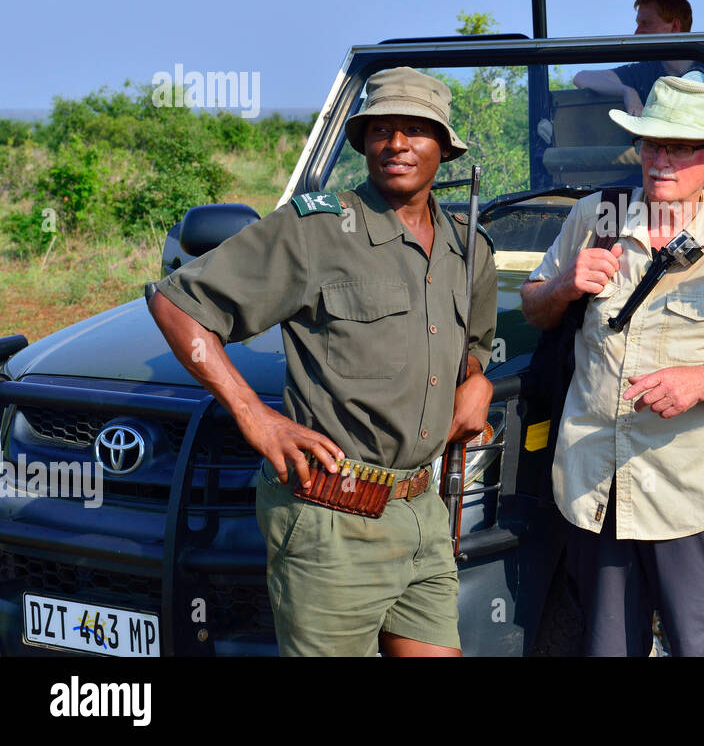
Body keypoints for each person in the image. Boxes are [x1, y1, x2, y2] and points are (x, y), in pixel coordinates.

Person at [146, 66, 497, 657]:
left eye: (415, 129)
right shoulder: (316, 230)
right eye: (380, 130)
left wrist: (478, 382)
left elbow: (468, 350)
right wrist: (255, 416)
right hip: (331, 518)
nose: (397, 144)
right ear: (361, 143)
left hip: (422, 513)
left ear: (445, 146)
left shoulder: (470, 248)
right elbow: (176, 304)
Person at [520, 76, 704, 656]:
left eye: (679, 147)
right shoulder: (596, 216)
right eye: (653, 144)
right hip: (595, 485)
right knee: (607, 648)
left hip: (689, 495)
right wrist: (563, 286)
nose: (661, 160)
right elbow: (534, 305)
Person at [573, 0, 704, 115]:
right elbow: (582, 77)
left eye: (646, 24)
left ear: (674, 27)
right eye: (638, 24)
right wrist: (627, 91)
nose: (637, 33)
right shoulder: (644, 72)